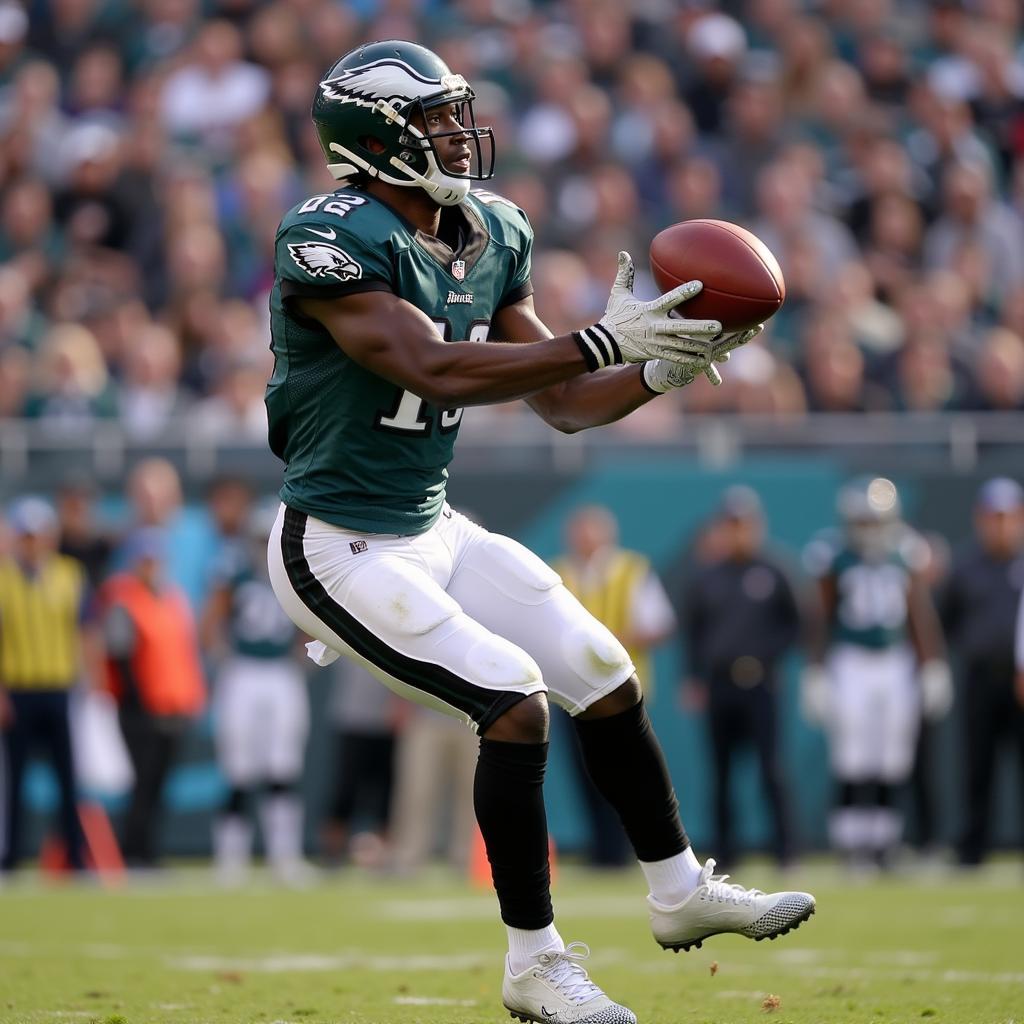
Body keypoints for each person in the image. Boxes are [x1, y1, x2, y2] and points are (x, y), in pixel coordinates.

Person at [263, 40, 813, 1024]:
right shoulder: (324, 234)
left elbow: (561, 399)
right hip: (334, 544)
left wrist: (664, 364)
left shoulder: (490, 229)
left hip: (429, 525)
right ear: (371, 139)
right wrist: (603, 336)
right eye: (430, 120)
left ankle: (680, 890)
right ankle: (534, 961)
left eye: (452, 114)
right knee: (514, 700)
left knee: (600, 663)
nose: (455, 135)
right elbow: (426, 366)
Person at [802, 477, 951, 870]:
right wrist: (815, 669)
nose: (870, 530)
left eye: (876, 521)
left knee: (891, 755)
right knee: (852, 753)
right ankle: (852, 846)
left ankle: (883, 845)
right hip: (850, 659)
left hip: (895, 660)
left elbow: (919, 612)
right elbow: (822, 614)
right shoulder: (832, 555)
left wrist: (932, 663)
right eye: (863, 522)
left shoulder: (907, 552)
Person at [681, 486, 801, 869]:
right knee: (721, 774)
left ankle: (785, 850)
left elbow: (794, 623)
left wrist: (770, 657)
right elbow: (694, 631)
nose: (738, 533)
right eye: (731, 525)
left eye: (744, 525)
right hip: (720, 684)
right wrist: (694, 677)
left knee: (772, 770)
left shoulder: (774, 570)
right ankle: (725, 853)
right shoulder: (708, 577)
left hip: (761, 682)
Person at [552, 504, 676, 867]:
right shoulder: (559, 571)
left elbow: (659, 623)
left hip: (618, 689)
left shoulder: (631, 569)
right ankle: (601, 849)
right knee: (584, 774)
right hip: (570, 690)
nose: (583, 539)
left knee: (622, 776)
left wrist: (607, 642)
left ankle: (627, 848)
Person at [201, 498, 311, 885]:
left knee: (283, 765)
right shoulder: (234, 569)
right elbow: (211, 618)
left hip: (280, 674)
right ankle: (230, 859)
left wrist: (301, 655)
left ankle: (285, 856)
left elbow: (311, 621)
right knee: (239, 769)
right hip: (244, 672)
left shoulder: (295, 569)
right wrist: (222, 656)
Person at [101, 527, 206, 868]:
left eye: (155, 560)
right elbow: (121, 655)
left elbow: (183, 653)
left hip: (172, 705)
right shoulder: (123, 599)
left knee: (159, 784)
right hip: (140, 708)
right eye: (145, 560)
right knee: (142, 783)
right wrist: (138, 702)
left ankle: (148, 850)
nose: (151, 566)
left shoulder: (172, 598)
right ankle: (133, 850)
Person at [0, 497, 89, 874]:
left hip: (58, 687)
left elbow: (84, 633)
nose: (34, 543)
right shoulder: (4, 579)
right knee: (13, 781)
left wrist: (88, 686)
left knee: (68, 779)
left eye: (39, 535)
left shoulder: (69, 574)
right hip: (17, 690)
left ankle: (74, 855)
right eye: (27, 536)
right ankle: (12, 857)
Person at [940, 478, 1024, 866]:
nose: (1001, 525)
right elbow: (948, 621)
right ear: (980, 519)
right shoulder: (965, 566)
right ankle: (974, 847)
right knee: (978, 767)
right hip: (980, 677)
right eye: (994, 517)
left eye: (1007, 517)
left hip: (1021, 678)